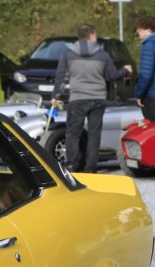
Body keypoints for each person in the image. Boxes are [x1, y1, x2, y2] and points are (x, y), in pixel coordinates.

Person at [53, 23, 129, 172]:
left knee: (73, 133)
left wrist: (55, 95)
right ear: (91, 35)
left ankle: (72, 164)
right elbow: (112, 76)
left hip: (77, 98)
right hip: (98, 98)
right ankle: (91, 167)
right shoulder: (103, 54)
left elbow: (60, 75)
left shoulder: (68, 53)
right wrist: (125, 70)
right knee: (94, 134)